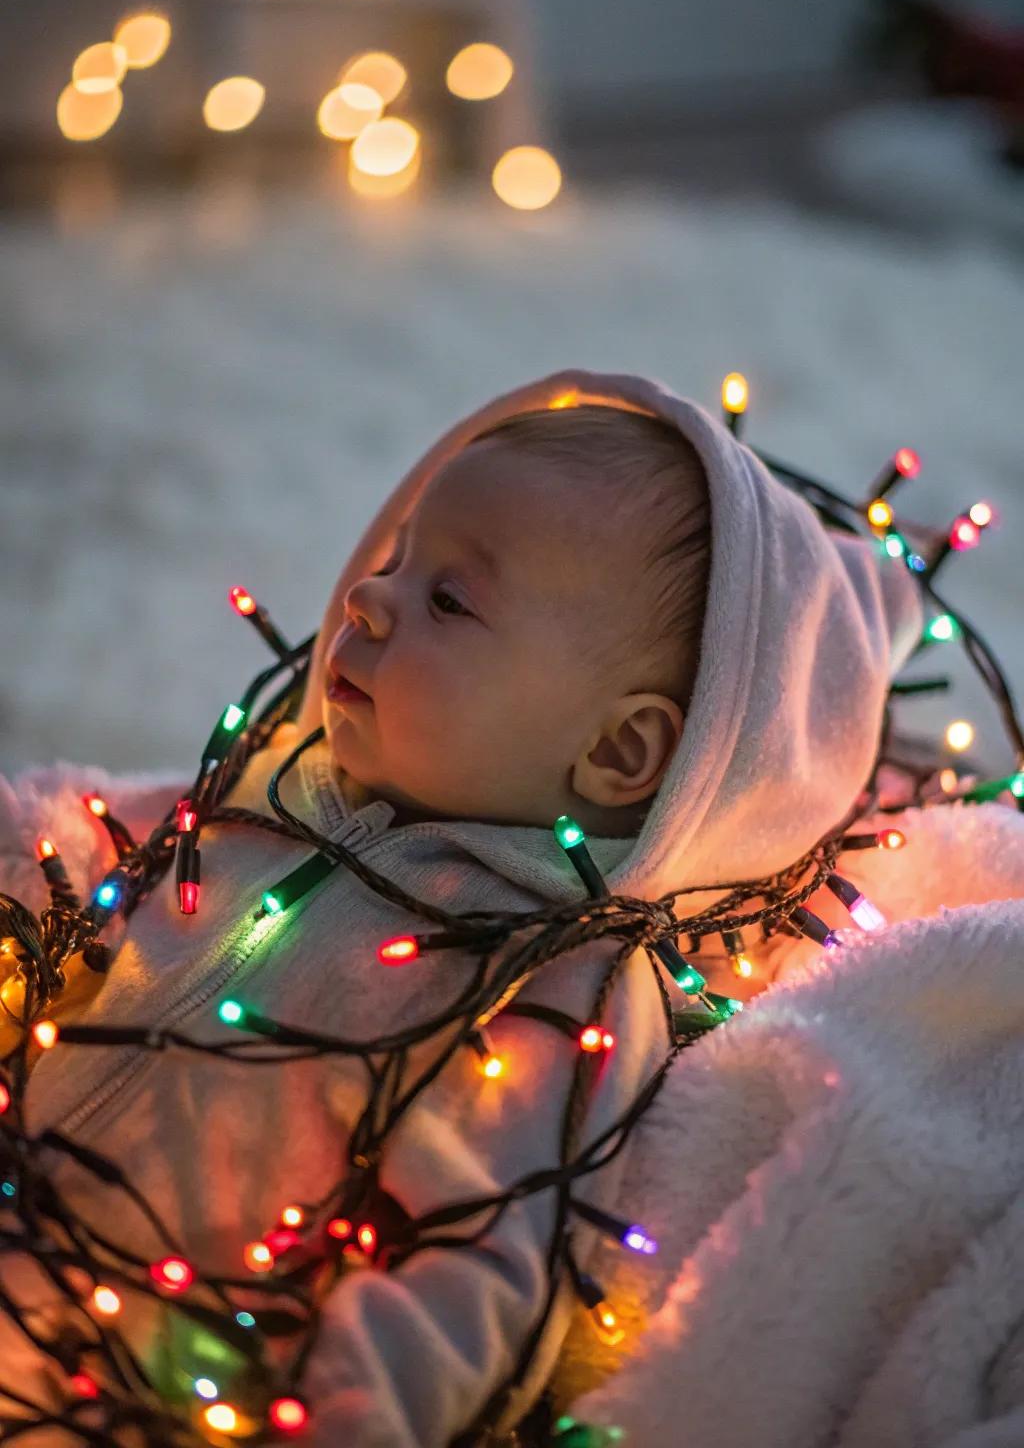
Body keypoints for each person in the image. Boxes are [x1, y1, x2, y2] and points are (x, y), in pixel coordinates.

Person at [0, 368, 921, 1446]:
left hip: (136, 1369)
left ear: (619, 751)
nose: (366, 597)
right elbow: (63, 862)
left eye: (447, 598)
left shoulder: (550, 979)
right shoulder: (269, 795)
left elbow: (474, 1265)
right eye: (395, 560)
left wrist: (348, 1418)